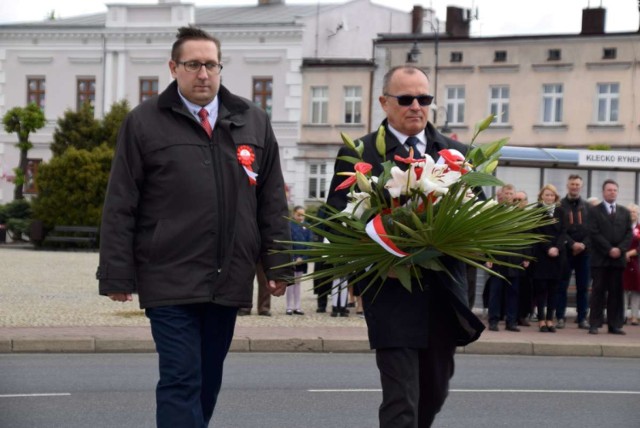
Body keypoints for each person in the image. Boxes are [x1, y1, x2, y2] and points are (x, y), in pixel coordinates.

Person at [97, 26, 292, 427]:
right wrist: (117, 273)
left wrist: (279, 265)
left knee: (207, 380)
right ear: (174, 68)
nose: (203, 74)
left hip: (229, 276)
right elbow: (121, 203)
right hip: (168, 275)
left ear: (221, 67)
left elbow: (271, 201)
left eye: (211, 64)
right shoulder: (144, 123)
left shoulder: (252, 121)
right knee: (180, 378)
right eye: (193, 65)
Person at [326, 65, 484, 428]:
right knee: (401, 402)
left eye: (424, 98)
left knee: (434, 392)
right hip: (390, 292)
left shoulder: (457, 154)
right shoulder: (361, 153)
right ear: (384, 102)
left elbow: (478, 218)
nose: (416, 105)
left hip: (444, 293)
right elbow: (338, 220)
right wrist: (370, 257)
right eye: (406, 98)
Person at [588, 179, 632, 335]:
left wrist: (620, 249)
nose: (612, 192)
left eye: (614, 190)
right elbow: (594, 233)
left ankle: (614, 324)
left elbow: (629, 233)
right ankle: (594, 323)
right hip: (600, 259)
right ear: (603, 192)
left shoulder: (624, 212)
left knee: (616, 293)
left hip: (618, 260)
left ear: (617, 192)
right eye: (609, 190)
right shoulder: (594, 211)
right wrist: (609, 249)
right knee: (598, 292)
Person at [486, 184, 528, 332]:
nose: (509, 196)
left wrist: (526, 256)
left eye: (511, 193)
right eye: (506, 193)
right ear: (502, 195)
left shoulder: (520, 214)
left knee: (513, 293)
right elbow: (488, 235)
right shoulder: (494, 213)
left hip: (515, 258)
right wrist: (488, 256)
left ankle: (511, 321)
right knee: (495, 292)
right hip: (497, 258)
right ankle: (493, 320)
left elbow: (526, 236)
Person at [529, 184, 567, 333]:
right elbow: (537, 232)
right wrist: (548, 248)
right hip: (541, 254)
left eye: (552, 195)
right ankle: (541, 320)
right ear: (541, 196)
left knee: (554, 290)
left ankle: (550, 319)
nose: (549, 197)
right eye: (547, 195)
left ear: (555, 197)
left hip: (557, 255)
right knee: (541, 290)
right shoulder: (536, 212)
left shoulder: (561, 211)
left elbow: (564, 231)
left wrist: (557, 247)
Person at [556, 175, 591, 329]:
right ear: (567, 185)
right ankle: (560, 317)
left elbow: (594, 230)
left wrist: (583, 244)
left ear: (581, 186)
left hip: (585, 252)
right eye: (572, 184)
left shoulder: (589, 207)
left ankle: (582, 317)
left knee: (583, 287)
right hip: (566, 251)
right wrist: (572, 244)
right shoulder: (560, 205)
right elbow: (559, 229)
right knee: (561, 285)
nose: (575, 187)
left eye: (577, 184)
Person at [288, 205, 312, 315]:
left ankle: (297, 306)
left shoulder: (307, 226)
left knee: (298, 283)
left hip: (302, 259)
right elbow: (288, 242)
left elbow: (310, 243)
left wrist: (303, 257)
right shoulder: (289, 226)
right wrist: (293, 257)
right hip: (291, 258)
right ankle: (289, 306)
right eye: (299, 215)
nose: (301, 217)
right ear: (294, 214)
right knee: (290, 283)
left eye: (303, 215)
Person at [623, 203, 640, 326]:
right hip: (623, 261)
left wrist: (631, 253)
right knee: (623, 290)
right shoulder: (621, 227)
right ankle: (622, 315)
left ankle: (634, 316)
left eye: (634, 212)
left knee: (636, 290)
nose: (632, 214)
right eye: (630, 212)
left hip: (637, 262)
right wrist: (624, 253)